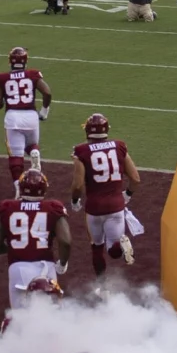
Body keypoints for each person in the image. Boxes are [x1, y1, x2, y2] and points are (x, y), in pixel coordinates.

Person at [0, 168, 69, 316]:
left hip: (18, 268)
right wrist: (63, 263)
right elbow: (65, 241)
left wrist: (13, 248)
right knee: (53, 317)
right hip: (47, 268)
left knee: (21, 320)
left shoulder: (7, 207)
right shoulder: (53, 207)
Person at [70, 113, 142, 275]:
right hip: (116, 205)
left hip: (94, 207)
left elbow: (78, 185)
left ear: (87, 131)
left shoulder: (81, 151)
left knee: (97, 248)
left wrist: (75, 200)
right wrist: (128, 194)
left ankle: (102, 287)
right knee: (113, 251)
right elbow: (136, 178)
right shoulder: (119, 146)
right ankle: (119, 245)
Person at [0, 46, 52, 185]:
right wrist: (44, 110)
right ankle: (34, 153)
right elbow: (47, 92)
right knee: (31, 144)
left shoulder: (2, 78)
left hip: (13, 117)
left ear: (10, 62)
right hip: (31, 116)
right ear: (25, 61)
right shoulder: (33, 74)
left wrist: (0, 92)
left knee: (16, 155)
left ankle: (18, 187)